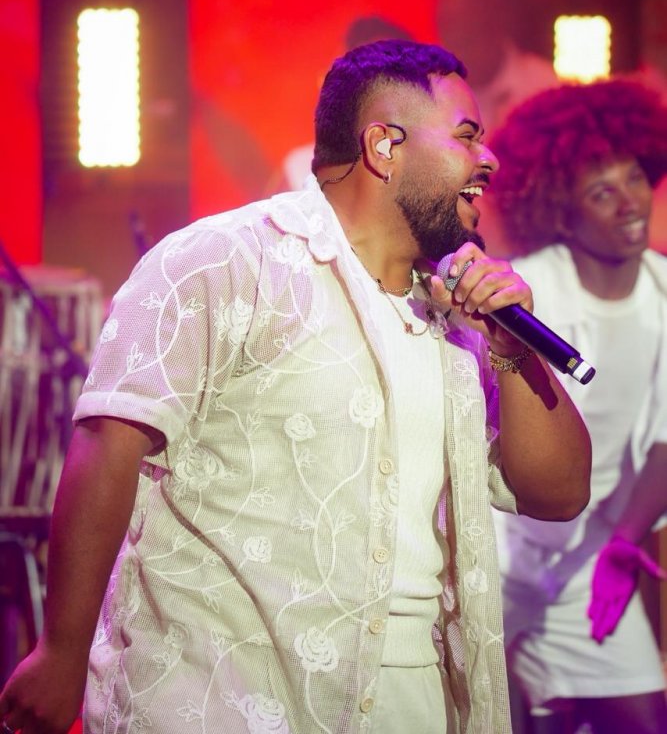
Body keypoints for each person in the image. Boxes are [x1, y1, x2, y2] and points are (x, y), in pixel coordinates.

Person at [0, 40, 591, 734]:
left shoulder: (461, 321)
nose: (487, 159)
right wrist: (62, 650)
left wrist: (514, 351)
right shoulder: (226, 260)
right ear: (383, 146)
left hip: (413, 701)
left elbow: (558, 495)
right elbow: (109, 444)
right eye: (466, 136)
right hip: (228, 694)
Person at [487, 78, 667, 734]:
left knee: (645, 721)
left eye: (634, 178)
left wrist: (623, 544)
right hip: (492, 551)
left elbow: (665, 439)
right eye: (601, 191)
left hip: (587, 560)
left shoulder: (663, 291)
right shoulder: (528, 287)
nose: (629, 201)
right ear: (561, 213)